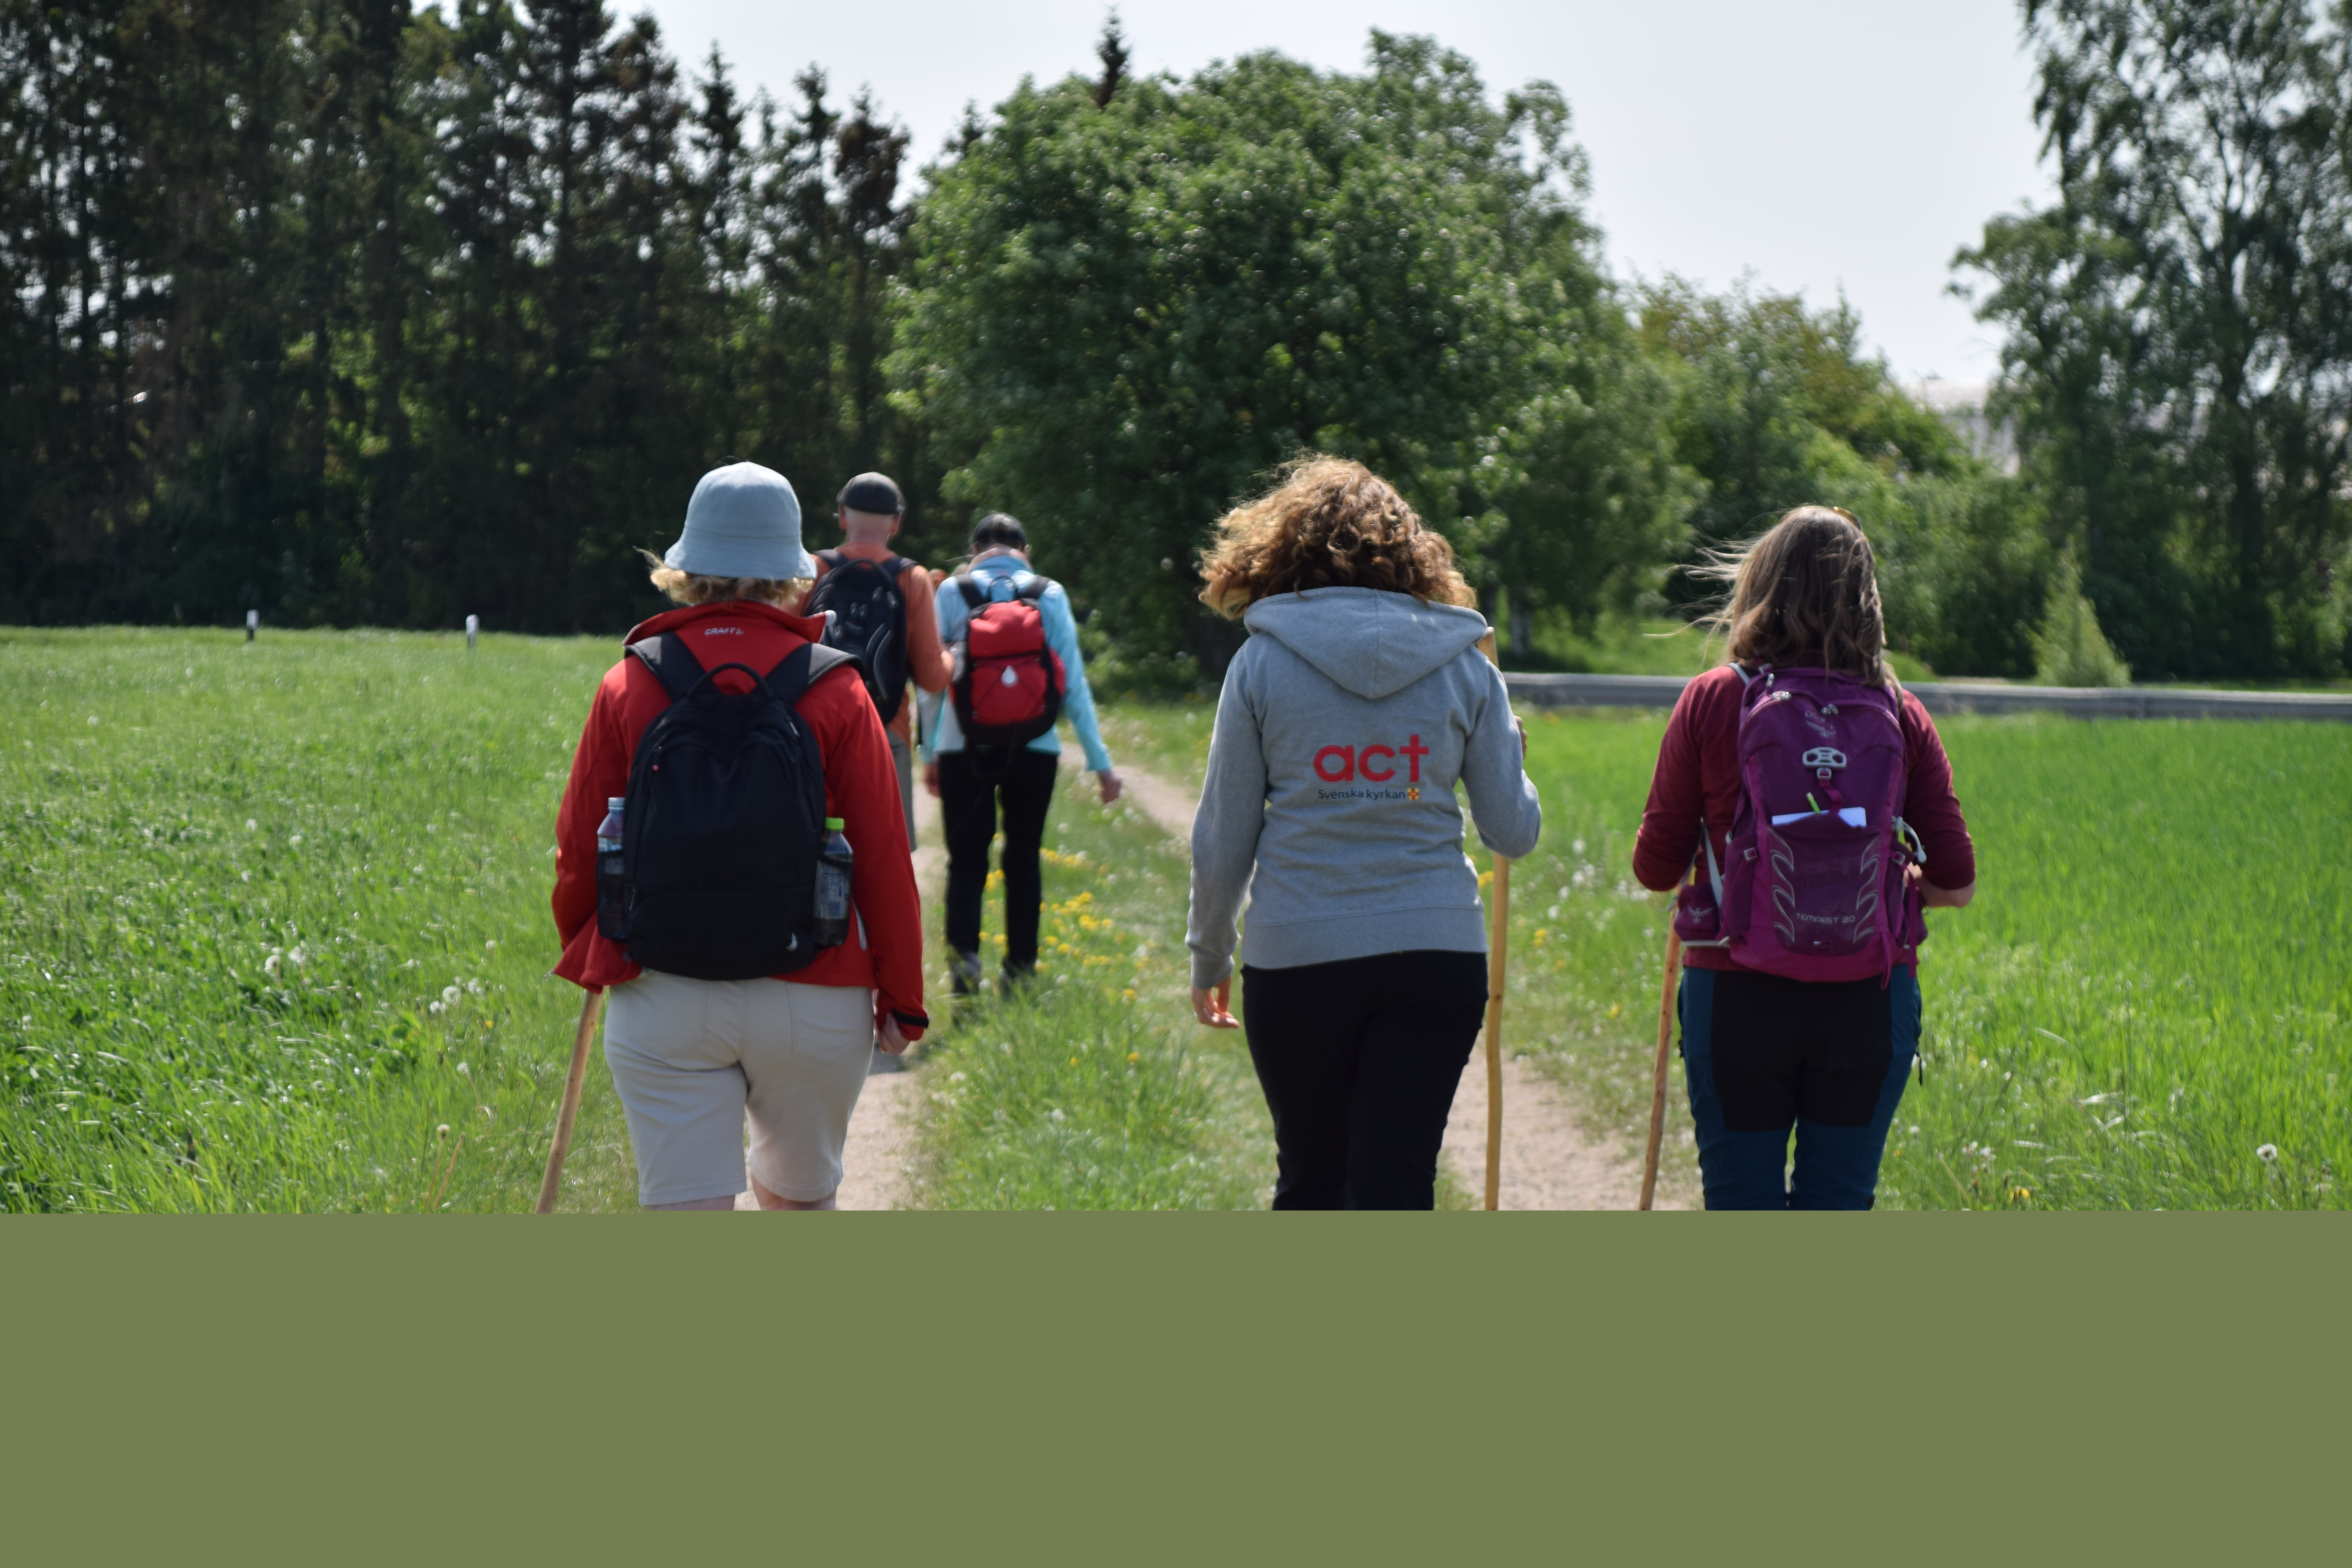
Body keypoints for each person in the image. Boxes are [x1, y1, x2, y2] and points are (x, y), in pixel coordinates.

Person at [550, 462, 927, 1210]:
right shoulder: (839, 687)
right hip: (815, 989)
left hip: (663, 986)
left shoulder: (631, 681)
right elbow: (884, 859)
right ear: (795, 571)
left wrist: (595, 949)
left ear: (685, 564)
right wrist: (903, 998)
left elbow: (580, 848)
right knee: (799, 1205)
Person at [1185, 457, 1540, 1209]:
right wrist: (1512, 750)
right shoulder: (1467, 666)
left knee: (1312, 1183)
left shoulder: (1260, 663)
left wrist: (1210, 954)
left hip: (1298, 958)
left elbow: (1223, 836)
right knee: (1395, 1189)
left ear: (1284, 549)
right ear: (1412, 553)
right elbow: (1512, 831)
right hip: (1435, 956)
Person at [1632, 505, 1976, 1210]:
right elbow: (1958, 883)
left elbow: (1655, 870)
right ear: (1867, 600)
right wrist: (1878, 879)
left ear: (1760, 586)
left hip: (1736, 992)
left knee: (1743, 1209)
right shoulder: (1900, 710)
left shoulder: (1714, 699)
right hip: (1869, 998)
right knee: (1838, 1206)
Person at [923, 512, 1122, 997]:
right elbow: (1073, 684)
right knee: (1024, 858)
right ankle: (1020, 974)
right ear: (1025, 552)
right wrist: (1100, 763)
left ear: (974, 551)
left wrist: (929, 751)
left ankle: (965, 970)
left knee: (966, 861)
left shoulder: (951, 592)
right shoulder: (1048, 593)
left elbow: (932, 683)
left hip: (962, 745)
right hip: (1037, 746)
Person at [803, 472, 953, 846]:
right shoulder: (913, 578)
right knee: (885, 856)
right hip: (885, 732)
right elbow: (932, 678)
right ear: (896, 523)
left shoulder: (811, 569)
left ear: (842, 516)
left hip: (814, 734)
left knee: (809, 849)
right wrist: (952, 657)